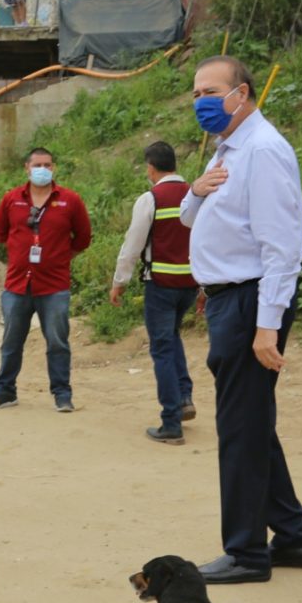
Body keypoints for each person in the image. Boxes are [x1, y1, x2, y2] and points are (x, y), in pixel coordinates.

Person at [181, 56, 302, 584]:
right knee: (252, 423)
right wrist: (195, 191)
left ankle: (246, 553)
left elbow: (281, 248)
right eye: (195, 94)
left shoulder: (262, 151)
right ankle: (293, 536)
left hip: (250, 300)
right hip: (228, 299)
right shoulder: (229, 150)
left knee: (240, 428)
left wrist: (266, 326)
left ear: (241, 93)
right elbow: (197, 216)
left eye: (210, 91)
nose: (201, 103)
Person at [0, 148, 92, 412]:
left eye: (47, 164)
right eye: (37, 164)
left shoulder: (70, 200)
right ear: (27, 168)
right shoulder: (12, 199)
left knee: (57, 342)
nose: (43, 169)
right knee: (11, 342)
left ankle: (62, 394)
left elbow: (83, 238)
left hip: (54, 285)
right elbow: (0, 233)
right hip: (17, 284)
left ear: (53, 168)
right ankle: (5, 391)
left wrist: (61, 257)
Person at [109, 141, 199, 445]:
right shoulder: (195, 192)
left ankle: (171, 421)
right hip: (190, 284)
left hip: (160, 285)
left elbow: (132, 245)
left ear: (151, 167)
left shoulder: (151, 199)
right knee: (172, 336)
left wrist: (120, 280)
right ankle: (184, 397)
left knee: (161, 347)